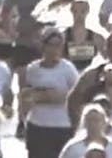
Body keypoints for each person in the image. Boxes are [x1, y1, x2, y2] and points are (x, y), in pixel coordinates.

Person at [21, 27, 80, 157]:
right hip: (38, 125)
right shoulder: (33, 69)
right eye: (50, 45)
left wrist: (57, 96)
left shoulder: (68, 69)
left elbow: (77, 95)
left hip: (62, 126)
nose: (54, 50)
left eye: (58, 46)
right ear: (43, 46)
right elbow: (26, 95)